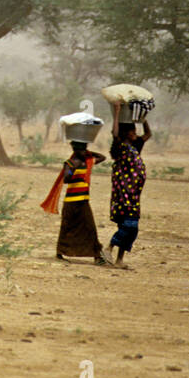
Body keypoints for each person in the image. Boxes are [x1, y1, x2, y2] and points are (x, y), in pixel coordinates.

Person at [43, 140, 111, 265]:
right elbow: (67, 179)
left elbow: (102, 157)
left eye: (85, 149)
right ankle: (60, 252)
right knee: (67, 227)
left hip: (83, 201)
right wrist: (73, 167)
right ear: (75, 150)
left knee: (90, 228)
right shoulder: (69, 163)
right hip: (71, 202)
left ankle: (97, 255)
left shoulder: (88, 161)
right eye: (81, 149)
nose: (84, 152)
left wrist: (89, 152)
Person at [107, 103, 151, 268]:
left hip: (134, 194)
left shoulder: (135, 146)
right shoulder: (121, 147)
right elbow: (114, 133)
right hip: (123, 193)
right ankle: (109, 247)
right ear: (126, 133)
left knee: (131, 228)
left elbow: (148, 133)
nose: (136, 133)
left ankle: (119, 260)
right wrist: (117, 112)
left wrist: (142, 119)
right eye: (132, 131)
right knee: (129, 225)